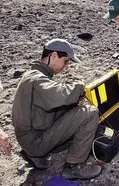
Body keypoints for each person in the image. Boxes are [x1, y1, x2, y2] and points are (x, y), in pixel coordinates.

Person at [12, 39, 101, 180]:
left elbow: (50, 103)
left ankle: (34, 155)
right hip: (35, 141)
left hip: (27, 137)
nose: (66, 67)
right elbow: (62, 95)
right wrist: (80, 87)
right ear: (53, 56)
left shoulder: (31, 75)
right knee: (90, 114)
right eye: (65, 61)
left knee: (73, 114)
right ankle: (73, 167)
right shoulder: (38, 80)